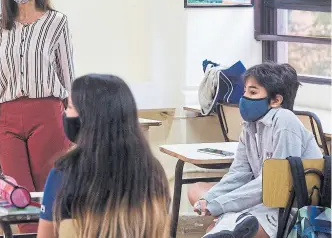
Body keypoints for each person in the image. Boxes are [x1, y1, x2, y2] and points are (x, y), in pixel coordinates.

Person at [0, 0, 75, 233]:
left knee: (50, 192)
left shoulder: (57, 22)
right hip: (6, 117)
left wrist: (76, 123)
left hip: (47, 113)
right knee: (17, 196)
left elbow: (68, 75)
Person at [188, 62, 322, 238]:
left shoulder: (284, 121)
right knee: (199, 194)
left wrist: (220, 205)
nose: (244, 98)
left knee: (220, 225)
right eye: (245, 91)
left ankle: (231, 224)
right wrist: (211, 200)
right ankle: (232, 223)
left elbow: (276, 185)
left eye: (252, 92)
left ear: (276, 100)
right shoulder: (250, 126)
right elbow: (239, 173)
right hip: (265, 199)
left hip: (290, 206)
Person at [37, 74, 170, 238]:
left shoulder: (63, 174)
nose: (64, 113)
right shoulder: (154, 173)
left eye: (69, 107)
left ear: (88, 118)